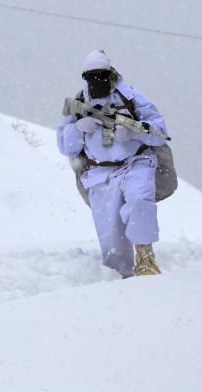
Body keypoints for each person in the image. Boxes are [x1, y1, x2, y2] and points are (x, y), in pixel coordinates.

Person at [57, 50, 169, 278]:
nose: (96, 80)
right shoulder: (78, 103)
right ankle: (122, 284)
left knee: (139, 201)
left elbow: (160, 133)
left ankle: (146, 258)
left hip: (135, 162)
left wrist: (133, 133)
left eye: (101, 75)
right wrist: (77, 129)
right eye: (91, 76)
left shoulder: (132, 97)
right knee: (112, 245)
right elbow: (64, 146)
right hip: (99, 173)